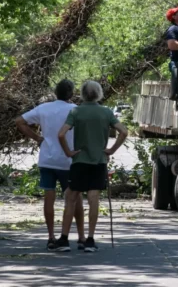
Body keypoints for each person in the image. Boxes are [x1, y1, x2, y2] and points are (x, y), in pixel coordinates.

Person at [53, 80, 129, 252]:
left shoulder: (76, 111)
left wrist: (68, 152)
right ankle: (90, 240)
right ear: (99, 94)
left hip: (79, 161)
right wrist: (111, 150)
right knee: (93, 199)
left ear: (82, 94)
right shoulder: (106, 112)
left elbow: (61, 134)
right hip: (98, 161)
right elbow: (123, 131)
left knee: (71, 197)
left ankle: (64, 239)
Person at [15, 79, 85, 250]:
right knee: (75, 199)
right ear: (71, 93)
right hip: (68, 160)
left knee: (49, 197)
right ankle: (82, 236)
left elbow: (19, 121)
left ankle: (51, 236)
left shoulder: (44, 108)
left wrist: (37, 138)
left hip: (47, 159)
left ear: (56, 92)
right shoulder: (75, 110)